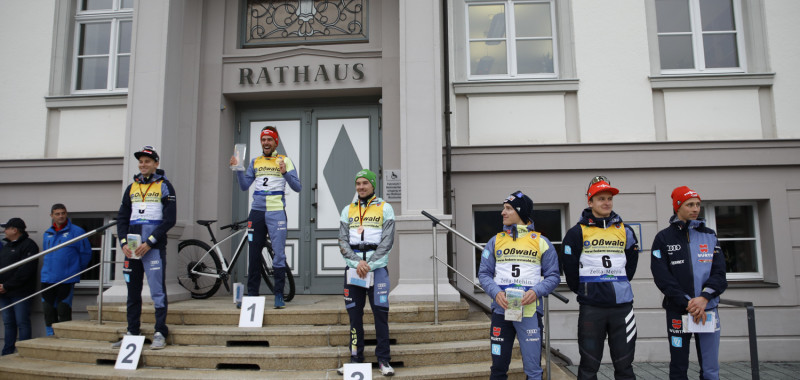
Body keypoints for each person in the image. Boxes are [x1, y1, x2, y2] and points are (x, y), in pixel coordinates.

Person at [561, 176, 640, 380]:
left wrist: (618, 283)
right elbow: (569, 269)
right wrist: (585, 290)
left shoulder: (625, 230)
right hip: (592, 307)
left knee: (625, 366)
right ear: (590, 202)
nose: (606, 202)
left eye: (609, 198)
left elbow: (630, 265)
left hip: (622, 307)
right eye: (601, 198)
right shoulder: (577, 232)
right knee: (588, 366)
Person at [478, 191, 560, 380]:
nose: (502, 213)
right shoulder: (495, 240)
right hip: (501, 310)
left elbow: (553, 276)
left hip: (529, 311)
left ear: (520, 213)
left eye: (508, 209)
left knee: (533, 370)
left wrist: (536, 291)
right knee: (498, 368)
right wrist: (496, 293)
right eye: (503, 208)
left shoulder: (541, 242)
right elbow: (483, 273)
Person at [651, 186, 727, 380]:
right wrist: (688, 302)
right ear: (678, 206)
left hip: (707, 309)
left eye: (698, 205)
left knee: (710, 367)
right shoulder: (663, 238)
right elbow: (662, 277)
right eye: (690, 204)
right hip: (678, 309)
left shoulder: (710, 235)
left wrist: (703, 298)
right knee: (678, 365)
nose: (695, 209)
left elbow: (719, 273)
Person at [112, 145, 177, 350]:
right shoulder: (131, 188)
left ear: (155, 164)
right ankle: (132, 331)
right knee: (133, 292)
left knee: (157, 291)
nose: (143, 164)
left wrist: (149, 242)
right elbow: (122, 218)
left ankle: (160, 331)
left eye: (147, 161)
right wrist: (123, 242)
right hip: (132, 249)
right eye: (140, 161)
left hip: (153, 248)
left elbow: (169, 220)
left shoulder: (165, 186)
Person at [230, 126, 301, 308]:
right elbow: (245, 186)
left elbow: (297, 187)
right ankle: (252, 295)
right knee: (254, 254)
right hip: (257, 212)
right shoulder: (255, 161)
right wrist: (238, 169)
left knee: (278, 254)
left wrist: (285, 172)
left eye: (269, 139)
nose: (266, 143)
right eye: (263, 140)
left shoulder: (284, 160)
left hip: (276, 212)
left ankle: (279, 294)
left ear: (275, 142)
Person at [337, 169, 395, 376]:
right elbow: (342, 241)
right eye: (358, 183)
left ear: (372, 185)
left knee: (380, 315)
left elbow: (387, 241)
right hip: (354, 270)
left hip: (376, 269)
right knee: (354, 316)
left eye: (365, 183)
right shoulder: (348, 210)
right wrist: (356, 263)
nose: (361, 187)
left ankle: (384, 360)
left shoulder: (385, 208)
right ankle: (355, 358)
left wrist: (368, 263)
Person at [40, 204, 92, 336]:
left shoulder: (77, 231)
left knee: (63, 310)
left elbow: (86, 254)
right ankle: (50, 336)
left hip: (66, 278)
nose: (61, 216)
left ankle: (64, 336)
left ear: (66, 214)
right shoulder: (47, 233)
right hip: (47, 277)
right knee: (48, 309)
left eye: (63, 213)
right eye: (57, 214)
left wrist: (75, 271)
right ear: (51, 215)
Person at [0, 218, 39, 355]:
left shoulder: (29, 245)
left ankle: (24, 351)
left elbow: (25, 270)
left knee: (22, 321)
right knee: (8, 323)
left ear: (15, 230)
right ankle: (7, 352)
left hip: (20, 292)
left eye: (7, 228)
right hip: (4, 293)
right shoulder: (6, 246)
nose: (4, 231)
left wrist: (7, 285)